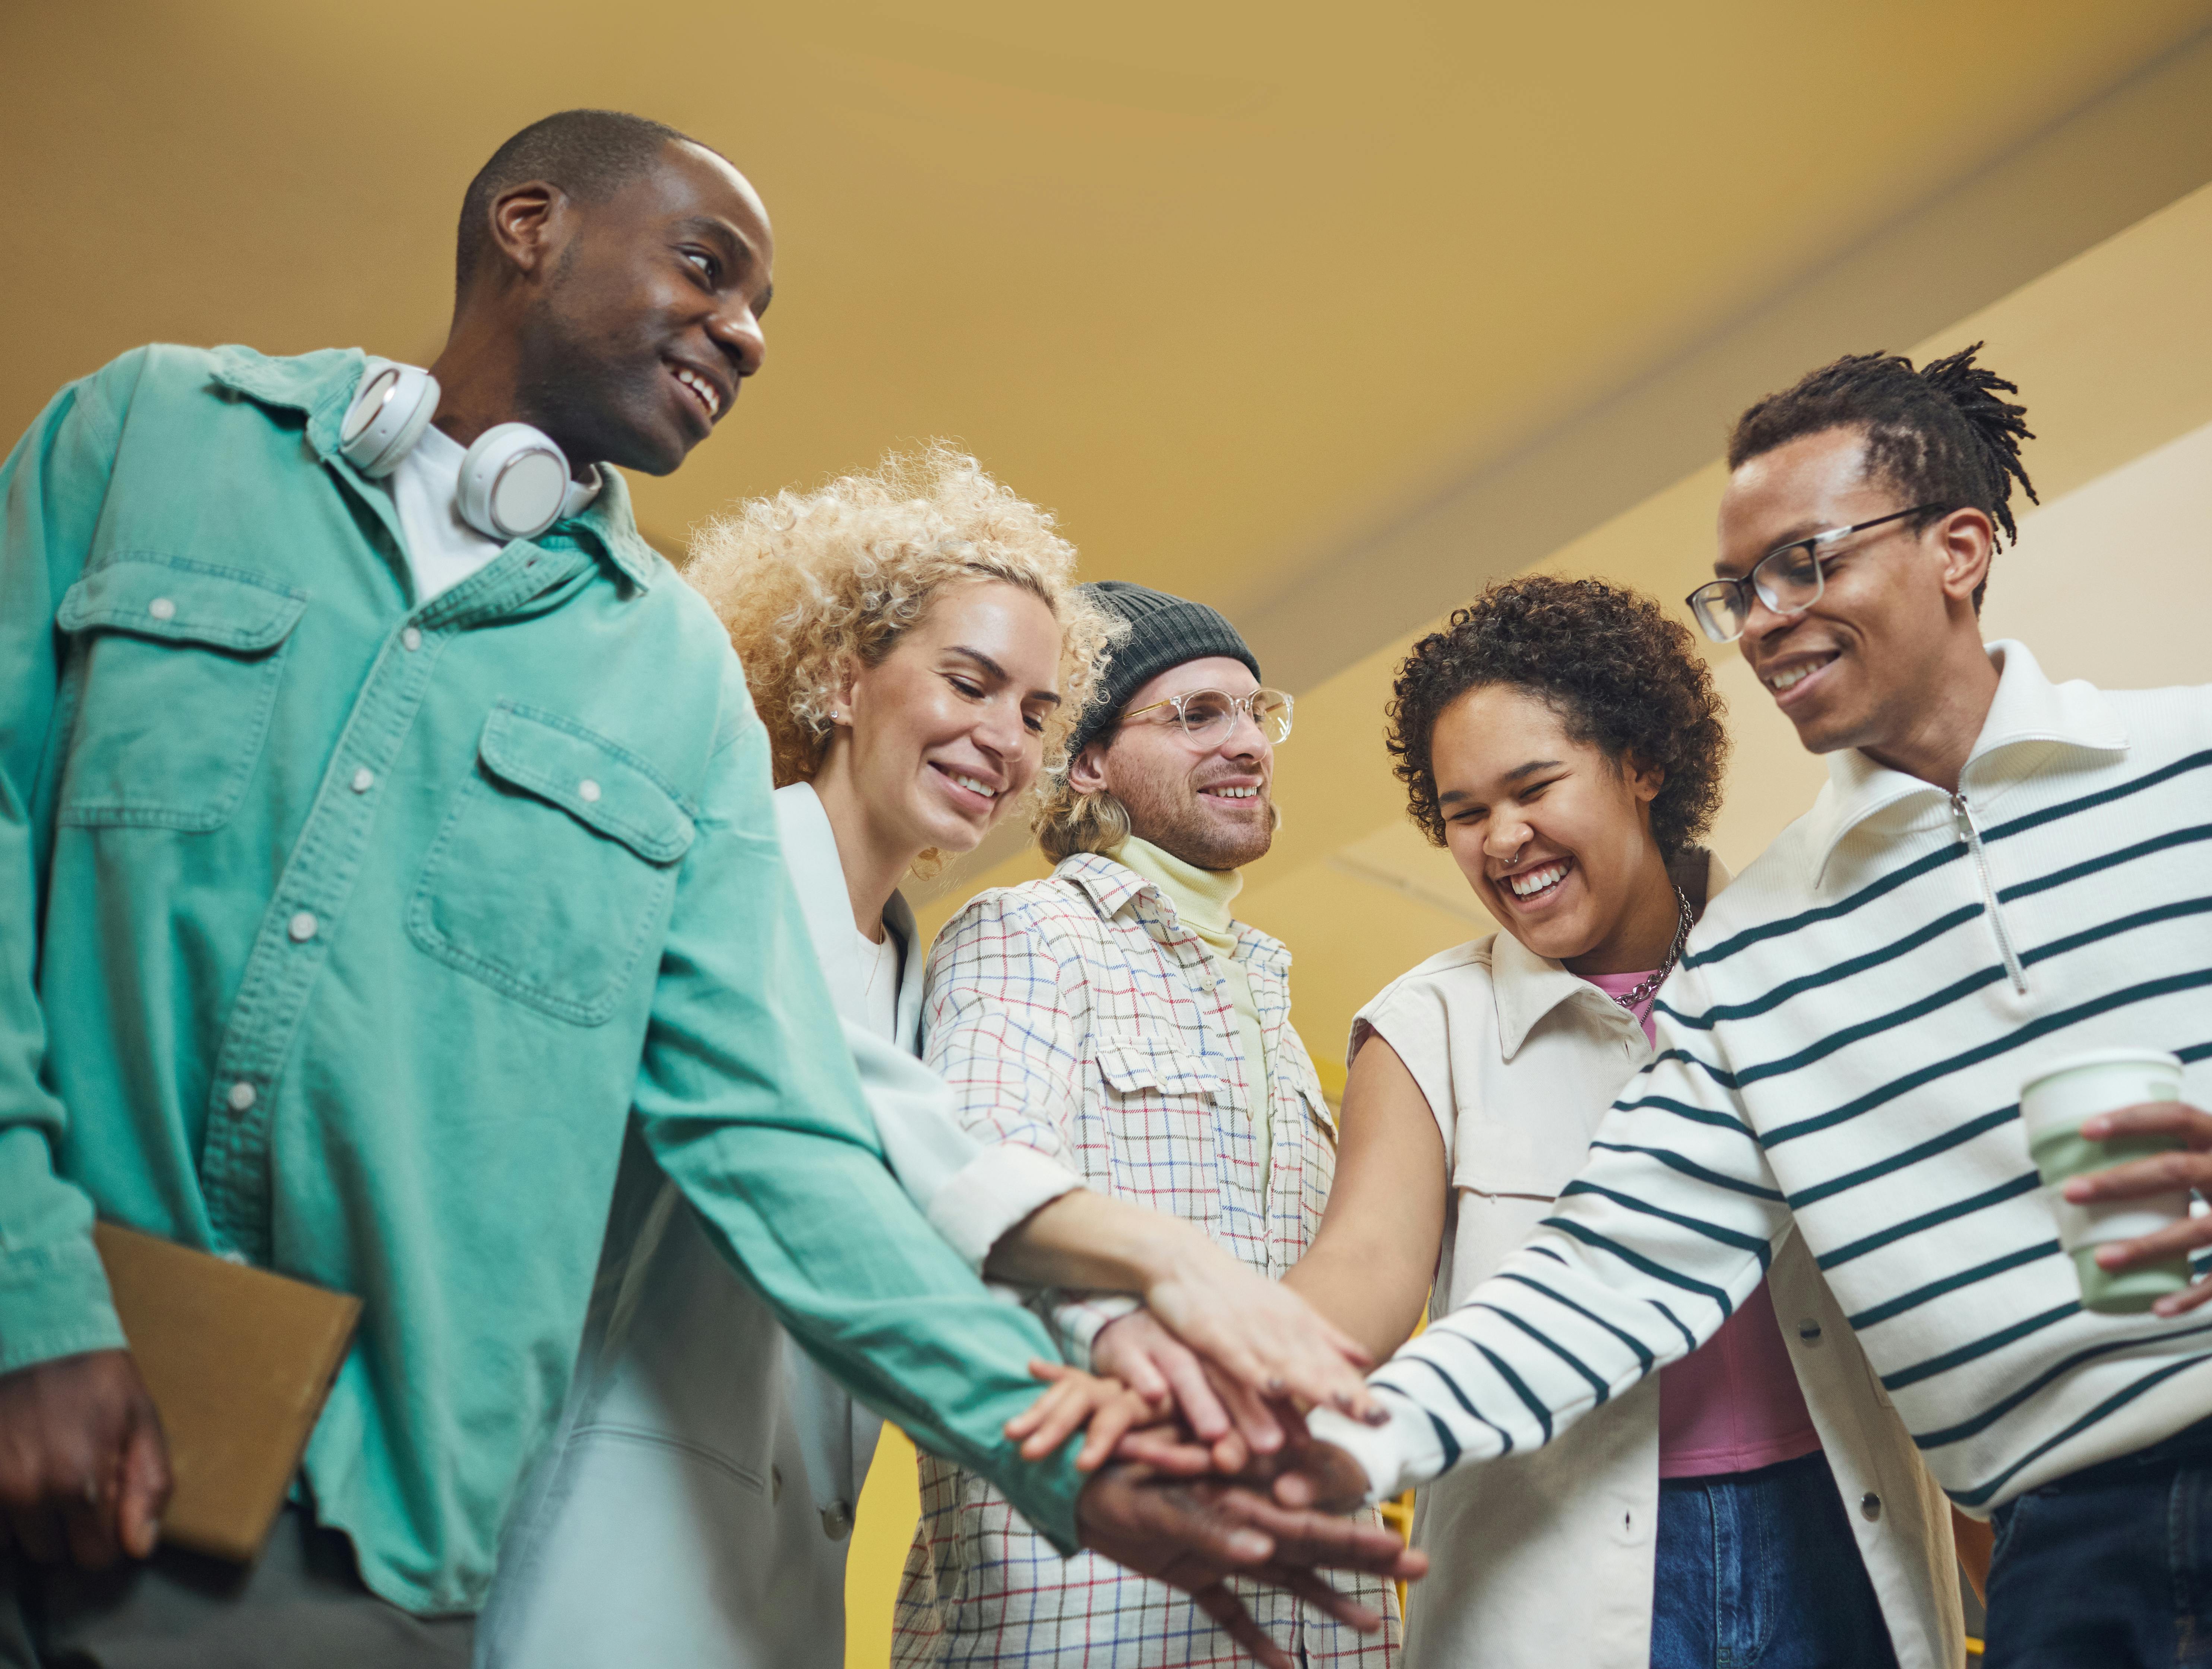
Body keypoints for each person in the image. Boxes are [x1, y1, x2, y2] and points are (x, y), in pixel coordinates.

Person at [0, 110, 1418, 1668]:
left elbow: (778, 1127)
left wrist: (1069, 1449)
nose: (743, 334)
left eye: (1034, 708)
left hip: (362, 1525)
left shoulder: (661, 678)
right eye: (708, 267)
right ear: (527, 225)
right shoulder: (146, 436)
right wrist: (32, 1295)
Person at [1266, 346, 2212, 1664]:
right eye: (1738, 591)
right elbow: (1605, 1273)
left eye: (1807, 564)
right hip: (2060, 1556)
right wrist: (1325, 1441)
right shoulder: (1757, 954)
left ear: (1959, 547)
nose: (1761, 619)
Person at [482, 446, 1378, 1668]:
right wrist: (1151, 1274)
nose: (1002, 737)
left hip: (790, 1579)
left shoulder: (912, 975)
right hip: (608, 1536)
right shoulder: (713, 870)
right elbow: (834, 1128)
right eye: (969, 683)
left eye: (1033, 712)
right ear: (842, 680)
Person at [1286, 573, 1964, 1668]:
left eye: (1533, 786)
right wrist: (1234, 1390)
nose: (1503, 837)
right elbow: (1362, 1269)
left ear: (1643, 763)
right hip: (1547, 1573)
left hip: (1832, 1539)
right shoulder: (1426, 1025)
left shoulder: (1799, 965)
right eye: (1465, 812)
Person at [897, 582, 1399, 1666]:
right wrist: (1136, 1367)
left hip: (1308, 1604)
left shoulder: (1269, 986)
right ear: (1087, 761)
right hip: (1083, 1599)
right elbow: (978, 1190)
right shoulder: (1031, 932)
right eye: (1197, 715)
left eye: (1258, 713)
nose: (1249, 744)